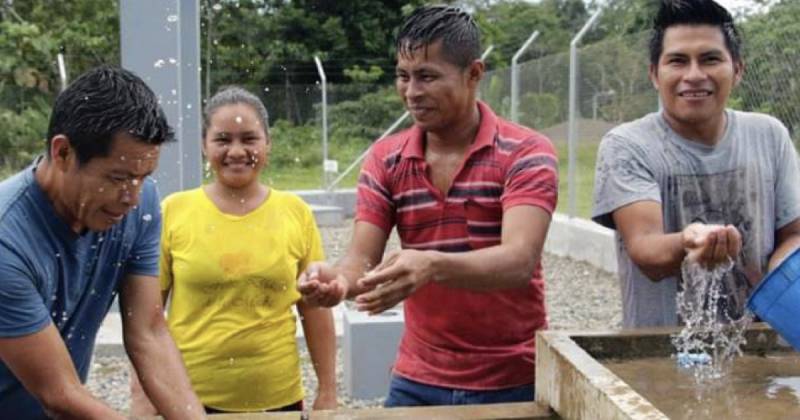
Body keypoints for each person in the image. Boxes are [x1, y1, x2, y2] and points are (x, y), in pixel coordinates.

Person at [298, 5, 558, 407]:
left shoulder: (525, 152)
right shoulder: (386, 159)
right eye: (403, 76)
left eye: (427, 76)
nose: (412, 92)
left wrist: (432, 265)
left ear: (474, 74)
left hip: (514, 377)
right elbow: (361, 260)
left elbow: (519, 261)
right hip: (417, 378)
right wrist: (336, 283)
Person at [0, 66, 203, 419]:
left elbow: (149, 334)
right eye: (119, 177)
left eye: (143, 178)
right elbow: (59, 393)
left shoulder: (139, 207)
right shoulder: (7, 242)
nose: (133, 198)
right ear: (63, 153)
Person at [592, 0, 800, 328]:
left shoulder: (769, 135)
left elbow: (794, 234)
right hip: (658, 352)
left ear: (738, 69)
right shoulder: (628, 145)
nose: (694, 75)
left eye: (710, 59)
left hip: (764, 343)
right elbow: (646, 250)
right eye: (677, 61)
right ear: (654, 74)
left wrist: (780, 278)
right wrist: (689, 241)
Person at [130, 86, 337, 415]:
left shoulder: (295, 212)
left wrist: (328, 389)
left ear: (268, 143)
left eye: (249, 138)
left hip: (279, 400)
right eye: (223, 139)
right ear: (204, 145)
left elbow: (314, 310)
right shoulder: (173, 212)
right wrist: (143, 402)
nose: (237, 151)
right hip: (188, 402)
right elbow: (146, 321)